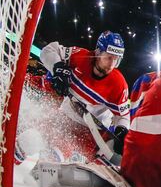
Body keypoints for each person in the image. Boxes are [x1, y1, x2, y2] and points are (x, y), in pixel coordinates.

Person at [37, 30, 130, 163]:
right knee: (29, 139)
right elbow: (48, 50)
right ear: (98, 52)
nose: (111, 64)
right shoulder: (80, 56)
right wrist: (57, 67)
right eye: (108, 57)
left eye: (116, 60)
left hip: (91, 131)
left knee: (52, 158)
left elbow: (123, 116)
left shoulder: (119, 85)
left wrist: (121, 130)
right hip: (65, 117)